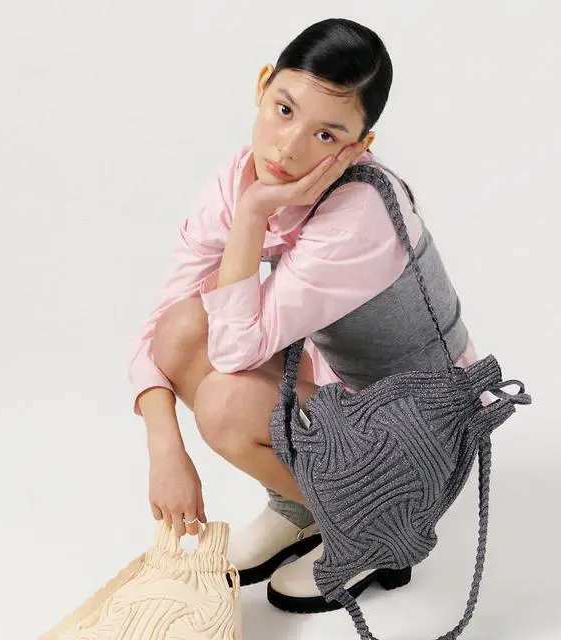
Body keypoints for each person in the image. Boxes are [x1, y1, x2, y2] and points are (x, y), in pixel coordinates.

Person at [127, 17, 482, 614]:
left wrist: (252, 215)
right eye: (285, 110)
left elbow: (236, 350)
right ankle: (303, 508)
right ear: (262, 85)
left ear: (359, 146)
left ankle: (376, 527)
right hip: (343, 408)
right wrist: (165, 449)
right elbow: (160, 326)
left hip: (418, 439)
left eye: (326, 134)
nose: (289, 148)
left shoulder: (360, 212)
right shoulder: (238, 178)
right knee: (182, 330)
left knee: (225, 401)